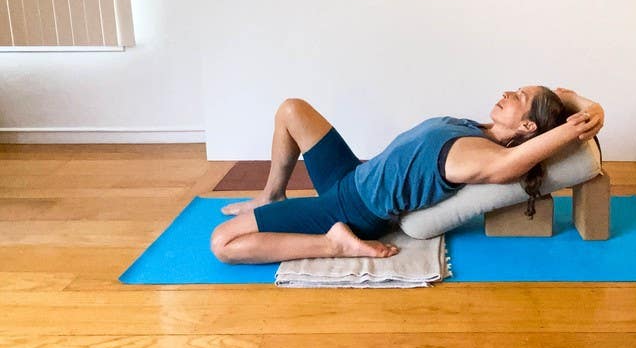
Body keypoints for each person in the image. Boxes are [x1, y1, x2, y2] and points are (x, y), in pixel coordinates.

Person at [210, 86, 604, 264]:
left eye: (519, 97)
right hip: (353, 175)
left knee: (223, 243)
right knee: (291, 109)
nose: (507, 93)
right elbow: (564, 95)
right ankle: (272, 195)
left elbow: (514, 162)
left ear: (529, 128)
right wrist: (585, 104)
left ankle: (334, 245)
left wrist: (579, 124)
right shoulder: (479, 129)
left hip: (352, 211)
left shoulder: (482, 157)